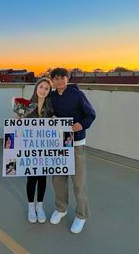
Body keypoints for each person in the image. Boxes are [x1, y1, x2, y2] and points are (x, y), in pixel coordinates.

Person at [49, 67, 96, 234]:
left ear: (67, 79)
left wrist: (81, 125)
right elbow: (44, 115)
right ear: (52, 81)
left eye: (63, 77)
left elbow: (91, 114)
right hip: (58, 144)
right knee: (58, 180)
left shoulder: (78, 95)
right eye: (56, 78)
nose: (60, 81)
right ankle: (60, 209)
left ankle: (81, 215)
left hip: (76, 144)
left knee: (78, 183)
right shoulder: (51, 97)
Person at [21, 77, 54, 223]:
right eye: (41, 87)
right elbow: (17, 122)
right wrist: (18, 121)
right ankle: (30, 206)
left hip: (45, 148)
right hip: (30, 148)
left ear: (49, 91)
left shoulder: (51, 108)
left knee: (42, 178)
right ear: (36, 87)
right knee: (31, 178)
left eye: (47, 88)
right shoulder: (25, 105)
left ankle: (39, 206)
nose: (43, 90)